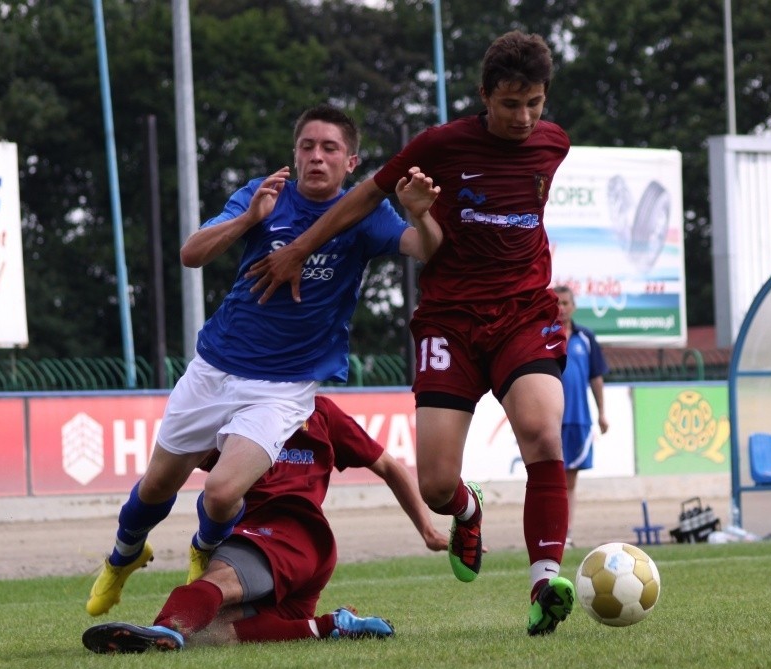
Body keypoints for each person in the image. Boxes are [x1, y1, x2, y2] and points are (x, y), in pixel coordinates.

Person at [246, 31, 577, 636]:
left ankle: (544, 580)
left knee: (541, 430)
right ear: (484, 96)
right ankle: (468, 508)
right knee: (436, 484)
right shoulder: (440, 145)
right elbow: (361, 200)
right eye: (510, 104)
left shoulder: (554, 145)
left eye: (534, 103)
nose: (524, 117)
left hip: (523, 314)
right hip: (449, 320)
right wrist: (297, 248)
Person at [86, 104, 443, 617]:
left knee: (220, 492)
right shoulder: (264, 195)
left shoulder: (366, 216)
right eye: (307, 146)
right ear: (295, 153)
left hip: (284, 388)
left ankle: (204, 550)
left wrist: (419, 212)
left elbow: (426, 249)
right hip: (214, 368)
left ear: (351, 162)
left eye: (329, 149)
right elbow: (191, 253)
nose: (316, 157)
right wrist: (249, 219)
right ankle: (123, 556)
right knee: (157, 486)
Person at [82, 395, 449, 652]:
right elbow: (178, 469)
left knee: (215, 584)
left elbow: (388, 466)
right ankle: (330, 627)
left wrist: (428, 529)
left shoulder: (320, 411)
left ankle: (163, 629)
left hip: (285, 531)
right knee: (214, 631)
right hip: (304, 554)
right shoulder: (238, 413)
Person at [553, 286, 609, 547]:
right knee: (551, 478)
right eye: (557, 303)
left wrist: (602, 414)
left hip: (578, 419)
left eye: (565, 303)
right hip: (550, 420)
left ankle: (566, 532)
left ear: (573, 306)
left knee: (569, 480)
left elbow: (596, 377)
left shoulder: (586, 338)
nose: (561, 308)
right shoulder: (543, 337)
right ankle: (551, 530)